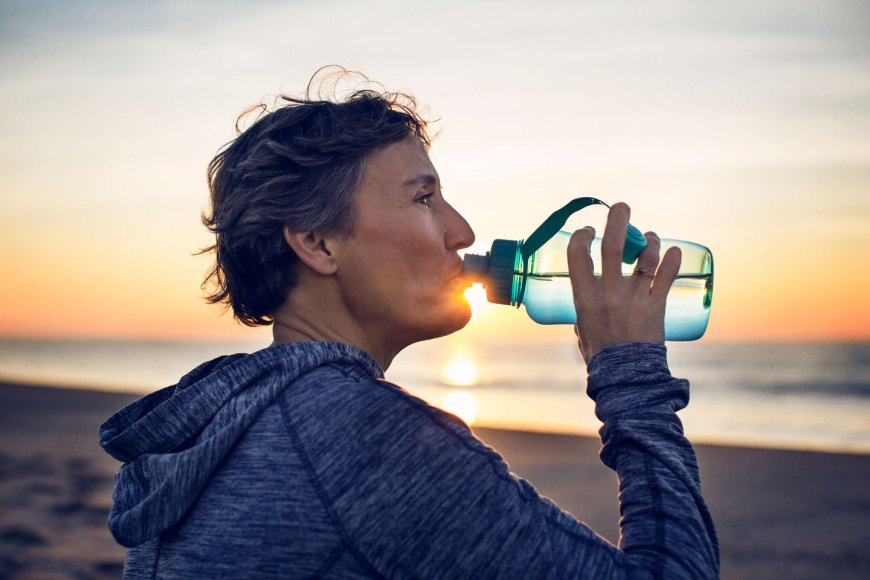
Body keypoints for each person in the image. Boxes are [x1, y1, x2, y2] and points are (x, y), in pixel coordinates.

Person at [100, 70, 719, 579]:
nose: (463, 232)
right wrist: (630, 373)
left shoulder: (229, 422)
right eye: (424, 198)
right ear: (318, 243)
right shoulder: (357, 435)